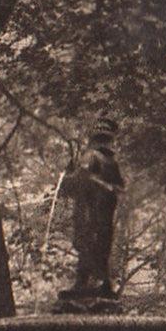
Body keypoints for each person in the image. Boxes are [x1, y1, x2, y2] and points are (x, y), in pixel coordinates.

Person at [58, 117, 126, 298]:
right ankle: (91, 282)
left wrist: (77, 178)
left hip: (99, 212)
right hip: (90, 211)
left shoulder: (105, 160)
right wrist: (69, 176)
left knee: (95, 245)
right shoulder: (94, 158)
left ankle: (95, 282)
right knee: (92, 245)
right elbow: (76, 184)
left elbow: (117, 187)